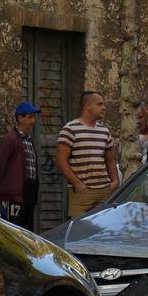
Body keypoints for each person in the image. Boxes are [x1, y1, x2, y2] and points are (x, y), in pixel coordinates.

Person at [57, 91, 119, 219]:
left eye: (104, 104)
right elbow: (61, 160)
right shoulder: (70, 129)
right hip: (82, 193)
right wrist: (78, 184)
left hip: (104, 191)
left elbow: (111, 160)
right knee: (79, 230)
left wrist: (115, 182)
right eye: (99, 104)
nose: (104, 108)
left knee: (103, 229)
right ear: (87, 106)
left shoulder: (104, 131)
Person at [0, 102, 40, 230]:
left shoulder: (28, 140)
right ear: (20, 118)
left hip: (28, 193)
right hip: (14, 196)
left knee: (27, 230)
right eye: (30, 117)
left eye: (33, 117)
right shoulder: (10, 139)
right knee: (15, 229)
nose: (33, 121)